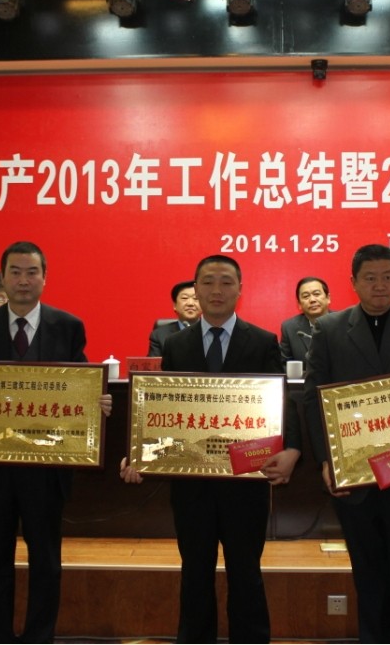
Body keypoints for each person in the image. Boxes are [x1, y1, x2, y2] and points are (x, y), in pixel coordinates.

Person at [0, 241, 113, 643]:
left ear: (44, 278)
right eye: (15, 272)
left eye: (31, 272)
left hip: (46, 469)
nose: (23, 280)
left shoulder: (67, 325)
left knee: (45, 561)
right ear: (2, 278)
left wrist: (98, 402)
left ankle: (39, 637)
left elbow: (83, 383)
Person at [121, 254, 301, 643]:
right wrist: (138, 451)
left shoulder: (263, 341)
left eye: (225, 282)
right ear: (196, 289)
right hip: (192, 483)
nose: (216, 290)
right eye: (208, 282)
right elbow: (163, 409)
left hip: (245, 479)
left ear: (240, 289)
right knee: (195, 571)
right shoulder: (175, 344)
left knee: (246, 571)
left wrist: (292, 449)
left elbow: (283, 402)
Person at [303, 244, 390, 642]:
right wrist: (327, 461)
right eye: (370, 278)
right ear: (353, 283)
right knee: (369, 574)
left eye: (387, 277)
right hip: (355, 476)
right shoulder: (329, 329)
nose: (380, 285)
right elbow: (313, 398)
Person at [279, 276, 331, 366]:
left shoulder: (343, 322)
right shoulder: (289, 328)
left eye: (316, 294)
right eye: (306, 296)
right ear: (299, 304)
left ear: (328, 298)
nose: (312, 300)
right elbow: (284, 365)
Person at [147, 280, 201, 356]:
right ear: (175, 305)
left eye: (196, 298)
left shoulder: (213, 332)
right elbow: (154, 363)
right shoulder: (159, 335)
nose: (190, 303)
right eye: (184, 298)